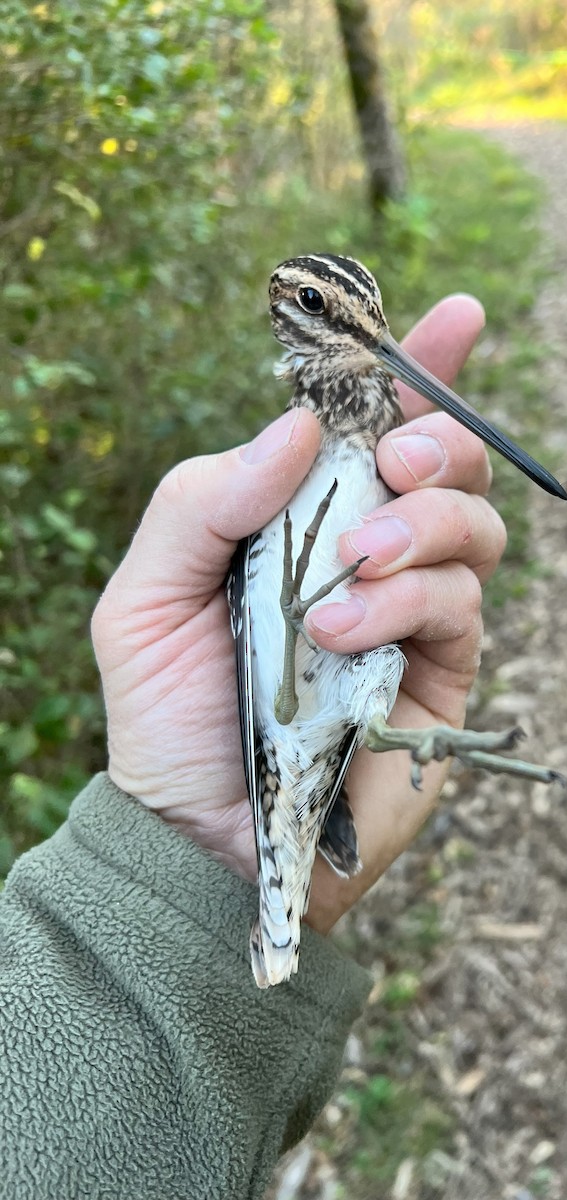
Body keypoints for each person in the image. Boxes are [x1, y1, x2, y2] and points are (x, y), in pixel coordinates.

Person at [0, 296, 506, 1200]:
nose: (366, 341)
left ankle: (361, 784)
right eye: (334, 316)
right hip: (273, 722)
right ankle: (288, 868)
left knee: (346, 674)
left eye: (371, 320)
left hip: (317, 721)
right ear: (293, 322)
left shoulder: (381, 433)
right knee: (299, 670)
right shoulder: (286, 452)